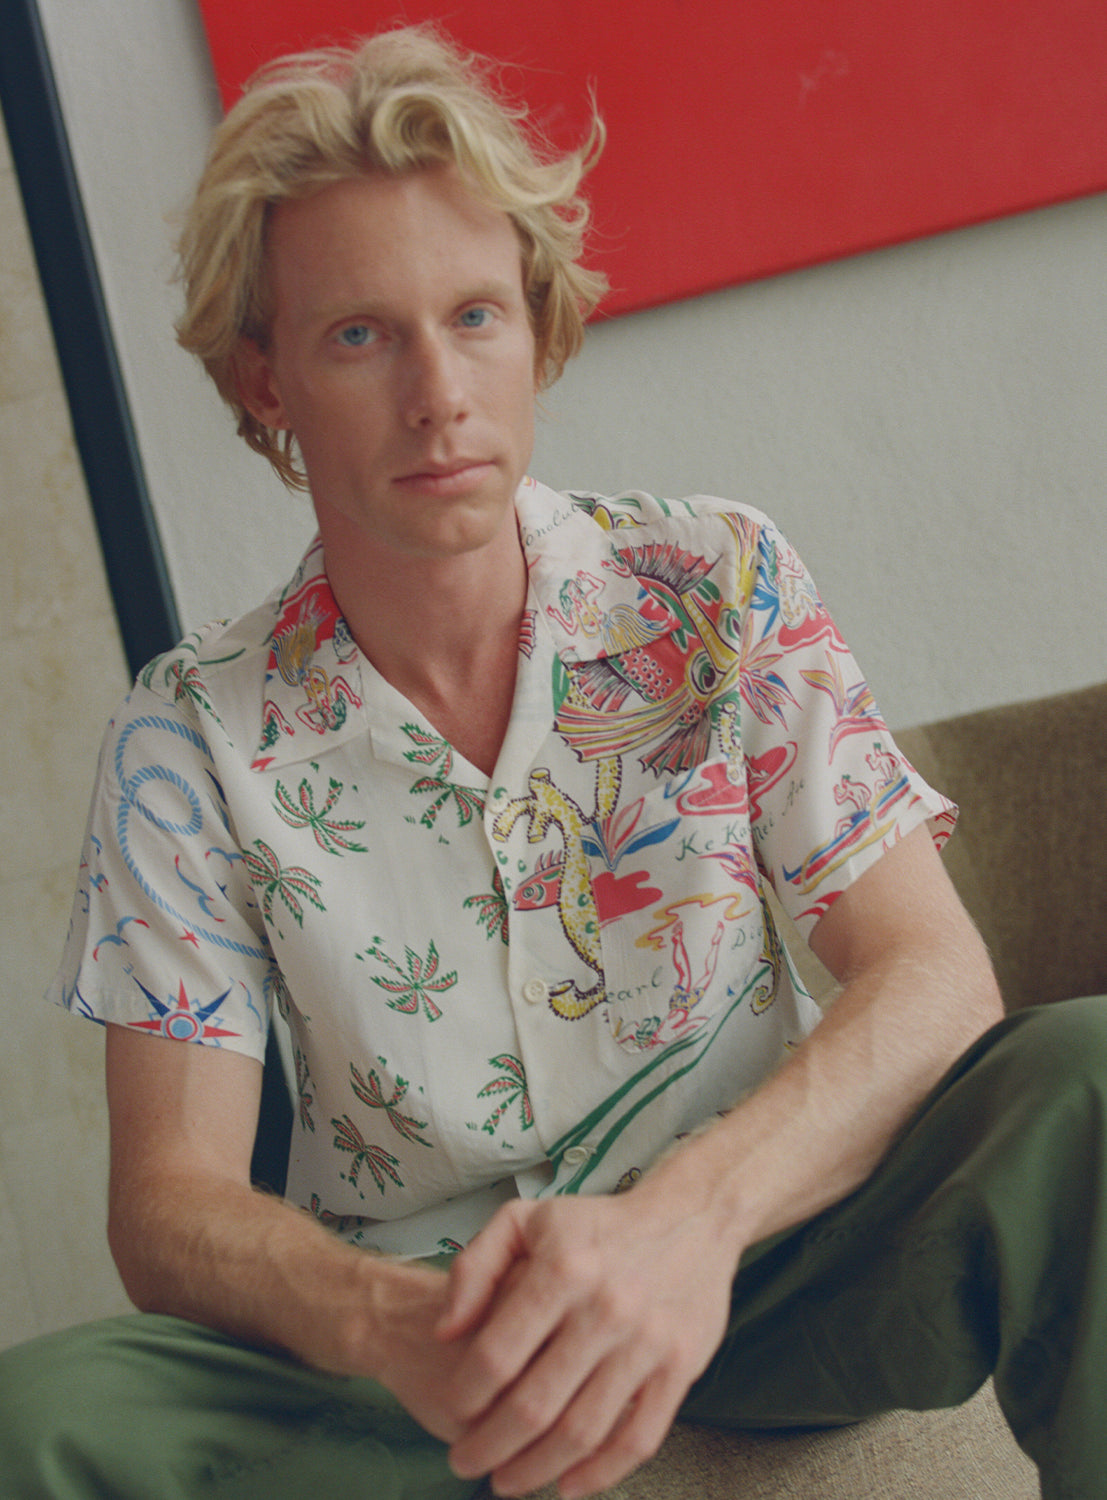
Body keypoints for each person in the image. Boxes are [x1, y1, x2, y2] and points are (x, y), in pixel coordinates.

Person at [1, 22, 1104, 1500]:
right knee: (40, 1414)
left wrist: (687, 1225)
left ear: (537, 326)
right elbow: (171, 1205)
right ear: (262, 378)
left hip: (767, 1271)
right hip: (412, 1356)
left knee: (1091, 1080)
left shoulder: (714, 578)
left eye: (473, 317)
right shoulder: (186, 737)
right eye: (358, 334)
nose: (437, 393)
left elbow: (933, 974)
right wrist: (391, 1324)